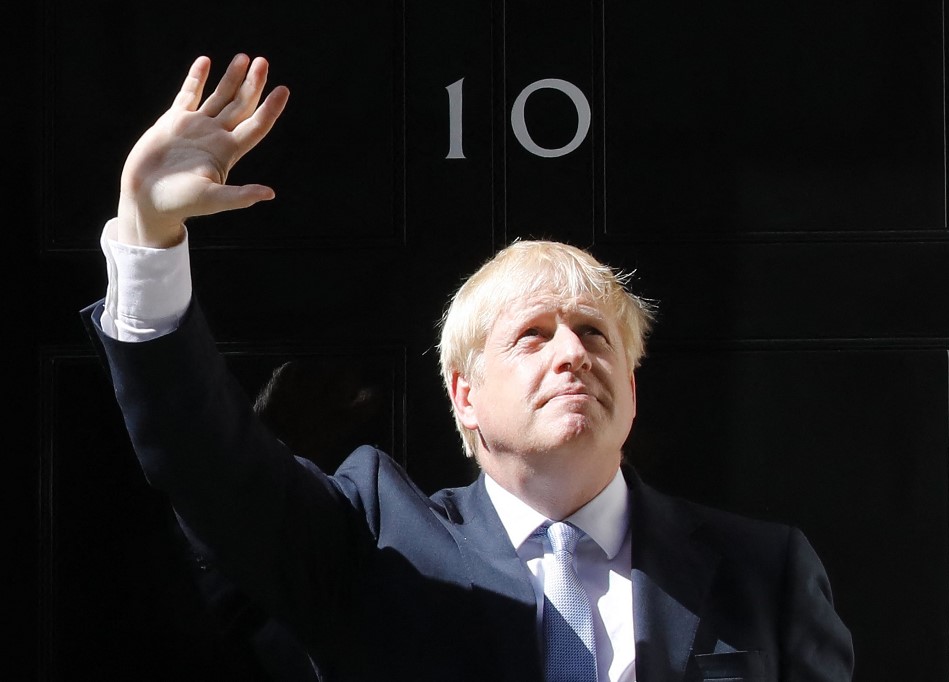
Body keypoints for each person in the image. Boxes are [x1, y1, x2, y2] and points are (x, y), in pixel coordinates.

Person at [83, 54, 854, 681]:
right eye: (532, 335)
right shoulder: (374, 543)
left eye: (594, 333)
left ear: (632, 385)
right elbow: (207, 464)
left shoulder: (766, 570)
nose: (572, 352)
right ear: (464, 395)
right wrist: (149, 235)